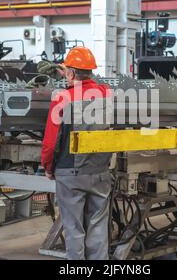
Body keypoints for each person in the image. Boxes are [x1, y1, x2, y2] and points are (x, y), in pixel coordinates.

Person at [40, 47, 112, 260]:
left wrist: (48, 167)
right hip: (100, 171)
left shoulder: (62, 98)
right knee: (98, 226)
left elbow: (51, 142)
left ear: (70, 73)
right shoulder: (106, 93)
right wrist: (71, 74)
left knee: (74, 228)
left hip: (70, 172)